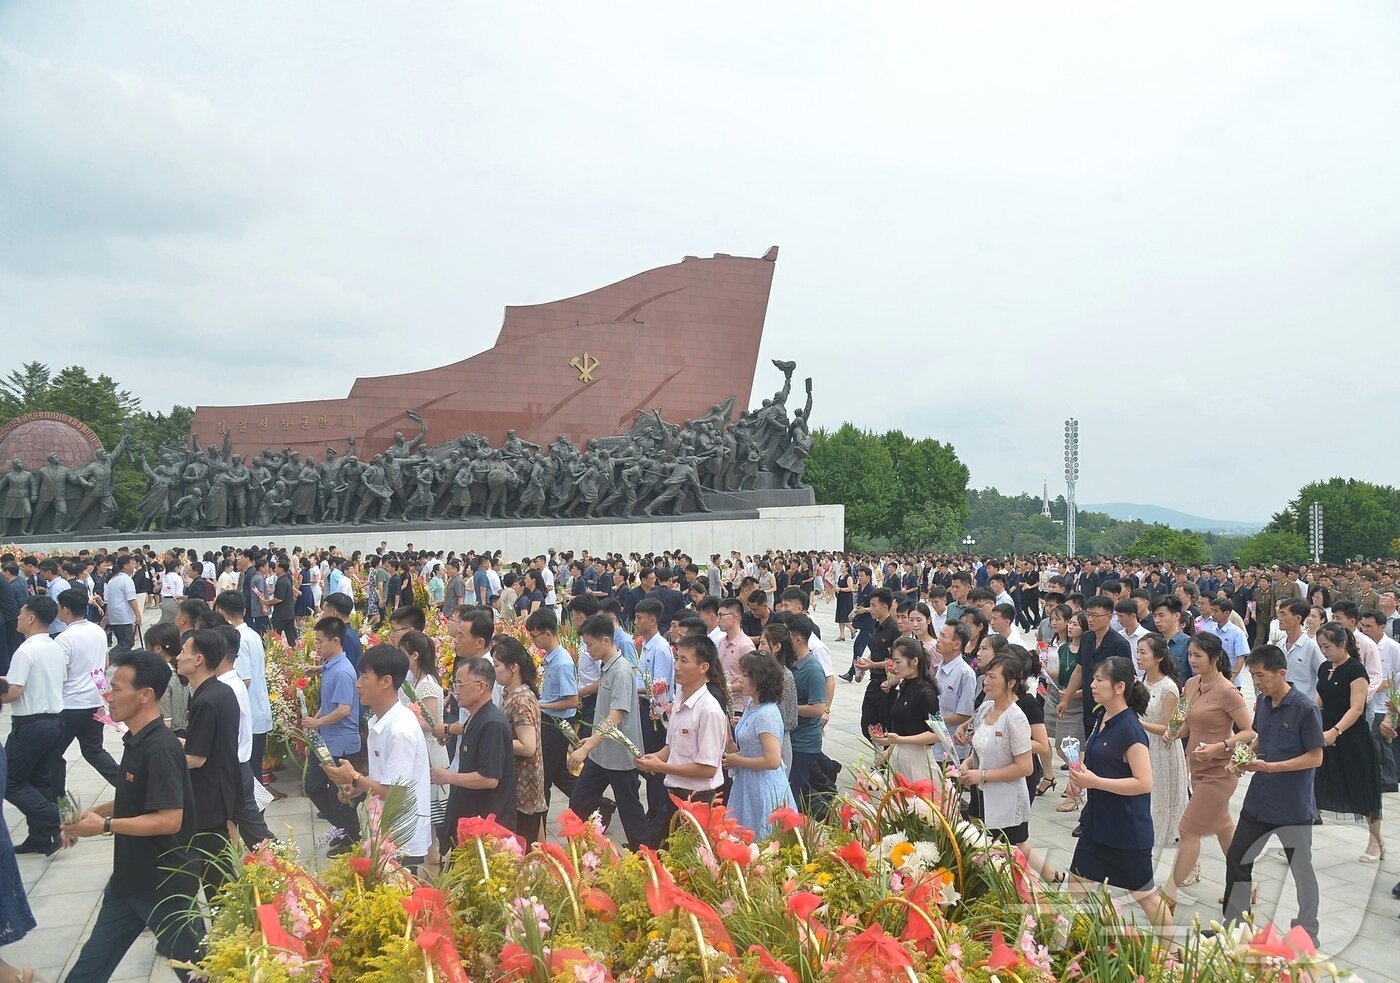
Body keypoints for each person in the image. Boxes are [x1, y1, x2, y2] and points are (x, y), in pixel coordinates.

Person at [61, 649, 203, 983]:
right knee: (89, 968)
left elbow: (170, 819)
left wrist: (105, 826)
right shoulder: (135, 740)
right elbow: (135, 797)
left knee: (200, 973)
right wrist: (91, 814)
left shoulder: (162, 748)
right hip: (128, 882)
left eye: (117, 689)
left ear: (146, 695)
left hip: (165, 886)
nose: (108, 696)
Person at [1219, 645, 1324, 945]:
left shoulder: (1305, 708)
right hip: (1259, 802)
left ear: (1282, 673)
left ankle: (1307, 931)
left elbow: (1315, 757)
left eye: (1261, 675)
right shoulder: (1263, 703)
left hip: (1293, 806)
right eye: (1253, 675)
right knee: (1238, 858)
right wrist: (1241, 758)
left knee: (1301, 870)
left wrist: (1271, 766)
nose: (1257, 682)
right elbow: (1261, 737)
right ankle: (1235, 924)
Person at [1066, 656, 1168, 927]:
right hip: (1097, 823)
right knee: (1076, 885)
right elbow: (1095, 755)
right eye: (1093, 679)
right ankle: (1074, 944)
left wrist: (1096, 782)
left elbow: (1144, 782)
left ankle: (1173, 954)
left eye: (1100, 680)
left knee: (1145, 896)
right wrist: (1078, 775)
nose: (1092, 685)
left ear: (1120, 687)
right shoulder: (1102, 715)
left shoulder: (1130, 730)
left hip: (1126, 830)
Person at [323, 644, 433, 872]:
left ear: (386, 681)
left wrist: (354, 777)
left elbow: (395, 793)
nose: (358, 684)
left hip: (402, 835)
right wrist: (359, 786)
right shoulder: (383, 721)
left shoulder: (399, 730)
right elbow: (387, 778)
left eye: (364, 676)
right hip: (388, 828)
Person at [1163, 633, 1255, 906]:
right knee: (1224, 828)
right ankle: (1245, 884)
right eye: (1190, 655)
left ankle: (1168, 893)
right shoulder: (1190, 684)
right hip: (1198, 769)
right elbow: (1186, 723)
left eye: (1198, 656)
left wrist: (1221, 746)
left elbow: (1249, 731)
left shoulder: (1228, 691)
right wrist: (1173, 733)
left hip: (1220, 771)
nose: (1192, 660)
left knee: (1188, 830)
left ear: (1214, 658)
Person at [638, 635, 729, 846]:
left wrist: (662, 767)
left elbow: (707, 768)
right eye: (676, 658)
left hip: (696, 799)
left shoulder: (709, 710)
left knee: (689, 862)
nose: (676, 666)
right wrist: (656, 758)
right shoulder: (680, 699)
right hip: (673, 795)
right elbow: (672, 746)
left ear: (703, 667)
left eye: (684, 661)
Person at [567, 616, 648, 849]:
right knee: (578, 803)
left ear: (605, 640)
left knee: (630, 811)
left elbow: (615, 716)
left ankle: (644, 857)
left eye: (590, 644)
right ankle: (581, 851)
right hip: (601, 755)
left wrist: (587, 746)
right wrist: (592, 741)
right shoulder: (607, 666)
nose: (588, 650)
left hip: (620, 757)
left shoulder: (621, 671)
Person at [177, 628, 242, 896]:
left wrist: (162, 758)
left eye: (183, 652)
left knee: (215, 877)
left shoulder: (204, 700)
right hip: (225, 786)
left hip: (208, 797)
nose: (178, 656)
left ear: (198, 659)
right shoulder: (222, 691)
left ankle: (229, 930)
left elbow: (196, 758)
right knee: (220, 868)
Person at [1313, 622, 1384, 862]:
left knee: (1364, 790)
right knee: (1315, 788)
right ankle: (1299, 840)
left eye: (1328, 646)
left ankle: (1376, 842)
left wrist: (1336, 731)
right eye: (1321, 646)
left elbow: (1356, 708)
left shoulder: (1355, 671)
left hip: (1353, 739)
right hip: (1325, 735)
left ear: (1342, 644)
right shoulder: (1324, 668)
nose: (1324, 651)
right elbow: (1319, 700)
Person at [2, 596, 66, 856]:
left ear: (31, 618)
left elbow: (14, 692)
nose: (17, 618)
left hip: (31, 725)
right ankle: (40, 837)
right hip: (53, 721)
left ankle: (56, 821)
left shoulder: (25, 650)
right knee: (39, 780)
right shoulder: (54, 647)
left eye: (20, 613)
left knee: (10, 782)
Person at [53, 588, 122, 796]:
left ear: (65, 609)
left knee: (54, 754)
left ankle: (59, 800)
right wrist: (104, 696)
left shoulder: (64, 639)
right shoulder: (98, 631)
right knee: (94, 751)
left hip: (70, 705)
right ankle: (129, 789)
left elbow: (61, 674)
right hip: (94, 702)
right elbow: (103, 666)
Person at [959, 653, 1034, 846]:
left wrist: (982, 775)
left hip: (1005, 800)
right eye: (986, 676)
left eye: (993, 677)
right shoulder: (985, 708)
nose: (986, 682)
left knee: (1004, 856)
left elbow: (1025, 767)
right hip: (980, 794)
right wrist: (966, 765)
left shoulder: (1015, 718)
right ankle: (1054, 876)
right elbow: (978, 747)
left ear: (1010, 683)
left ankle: (1053, 876)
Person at [303, 616, 363, 854]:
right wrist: (316, 725)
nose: (316, 646)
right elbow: (329, 704)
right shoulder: (330, 666)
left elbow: (344, 709)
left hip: (341, 742)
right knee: (315, 786)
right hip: (328, 739)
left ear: (336, 641)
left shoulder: (342, 672)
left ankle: (351, 837)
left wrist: (317, 721)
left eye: (319, 642)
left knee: (339, 794)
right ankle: (345, 830)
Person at [439, 656, 517, 835]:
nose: (455, 691)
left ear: (481, 686)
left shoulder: (492, 723)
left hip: (488, 824)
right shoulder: (476, 717)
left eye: (460, 685)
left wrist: (448, 777)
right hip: (472, 818)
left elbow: (489, 779)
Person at [723, 649, 796, 840]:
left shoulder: (767, 714)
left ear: (760, 680)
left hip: (763, 787)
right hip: (747, 785)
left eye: (746, 675)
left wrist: (738, 760)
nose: (740, 679)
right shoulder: (751, 705)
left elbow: (772, 760)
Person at [398, 630, 451, 862]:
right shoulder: (414, 681)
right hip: (420, 750)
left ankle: (435, 866)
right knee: (424, 817)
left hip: (430, 751)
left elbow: (429, 723)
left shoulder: (427, 684)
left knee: (432, 818)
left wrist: (401, 718)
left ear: (415, 655)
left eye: (403, 654)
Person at [491, 635, 547, 844]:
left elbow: (527, 746)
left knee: (523, 845)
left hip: (524, 787)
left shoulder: (521, 699)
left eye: (497, 665)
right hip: (517, 783)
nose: (494, 669)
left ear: (513, 667)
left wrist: (494, 741)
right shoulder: (511, 693)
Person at [1135, 634, 1188, 850]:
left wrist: (1142, 725)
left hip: (1162, 749)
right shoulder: (1142, 682)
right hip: (1142, 746)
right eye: (1137, 652)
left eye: (1143, 652)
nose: (1138, 657)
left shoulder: (1168, 688)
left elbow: (1171, 728)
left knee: (1158, 800)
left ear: (1157, 657)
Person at [871, 637, 942, 783]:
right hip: (899, 758)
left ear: (914, 661)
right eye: (893, 662)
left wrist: (900, 740)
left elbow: (937, 734)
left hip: (918, 761)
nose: (894, 667)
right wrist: (888, 751)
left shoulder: (926, 693)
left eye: (898, 662)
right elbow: (903, 728)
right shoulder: (905, 686)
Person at [633, 598, 674, 821]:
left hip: (656, 715)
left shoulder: (660, 649)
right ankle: (654, 811)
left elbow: (660, 688)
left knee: (655, 767)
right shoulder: (647, 646)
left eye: (640, 618)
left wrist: (632, 689)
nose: (636, 622)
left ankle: (658, 813)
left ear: (653, 620)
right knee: (648, 764)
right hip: (646, 710)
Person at [105, 553, 142, 655]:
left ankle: (123, 662)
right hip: (123, 616)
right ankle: (107, 660)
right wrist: (137, 615)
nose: (134, 566)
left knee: (123, 641)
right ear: (125, 566)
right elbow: (131, 599)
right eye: (132, 563)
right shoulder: (126, 580)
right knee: (127, 643)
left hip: (115, 615)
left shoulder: (113, 580)